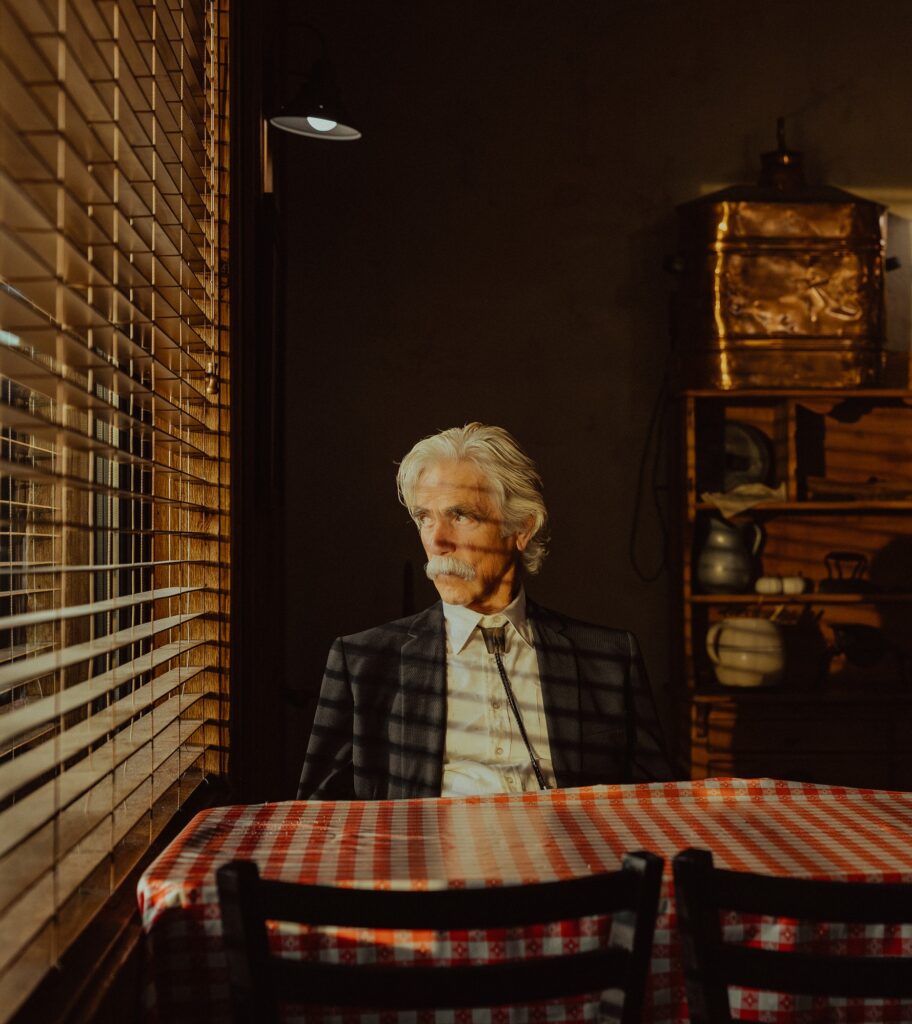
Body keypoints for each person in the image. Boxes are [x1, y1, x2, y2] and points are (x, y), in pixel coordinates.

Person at [298, 423, 675, 800]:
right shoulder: (362, 665)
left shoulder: (608, 661)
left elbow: (659, 806)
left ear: (521, 528)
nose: (437, 539)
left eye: (460, 516)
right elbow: (315, 822)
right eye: (425, 517)